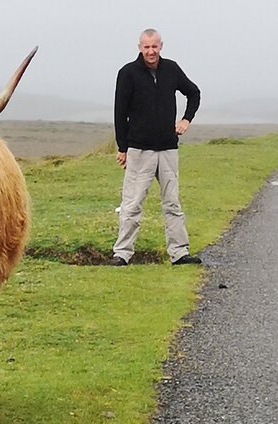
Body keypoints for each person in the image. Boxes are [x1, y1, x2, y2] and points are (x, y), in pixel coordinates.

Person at [111, 28, 202, 267]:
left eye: (154, 46)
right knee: (132, 203)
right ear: (139, 47)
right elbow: (120, 112)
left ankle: (179, 253)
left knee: (172, 203)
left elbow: (193, 93)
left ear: (161, 45)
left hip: (168, 149)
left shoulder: (171, 69)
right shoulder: (128, 73)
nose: (151, 51)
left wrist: (186, 120)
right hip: (139, 149)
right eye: (146, 47)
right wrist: (123, 148)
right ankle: (122, 253)